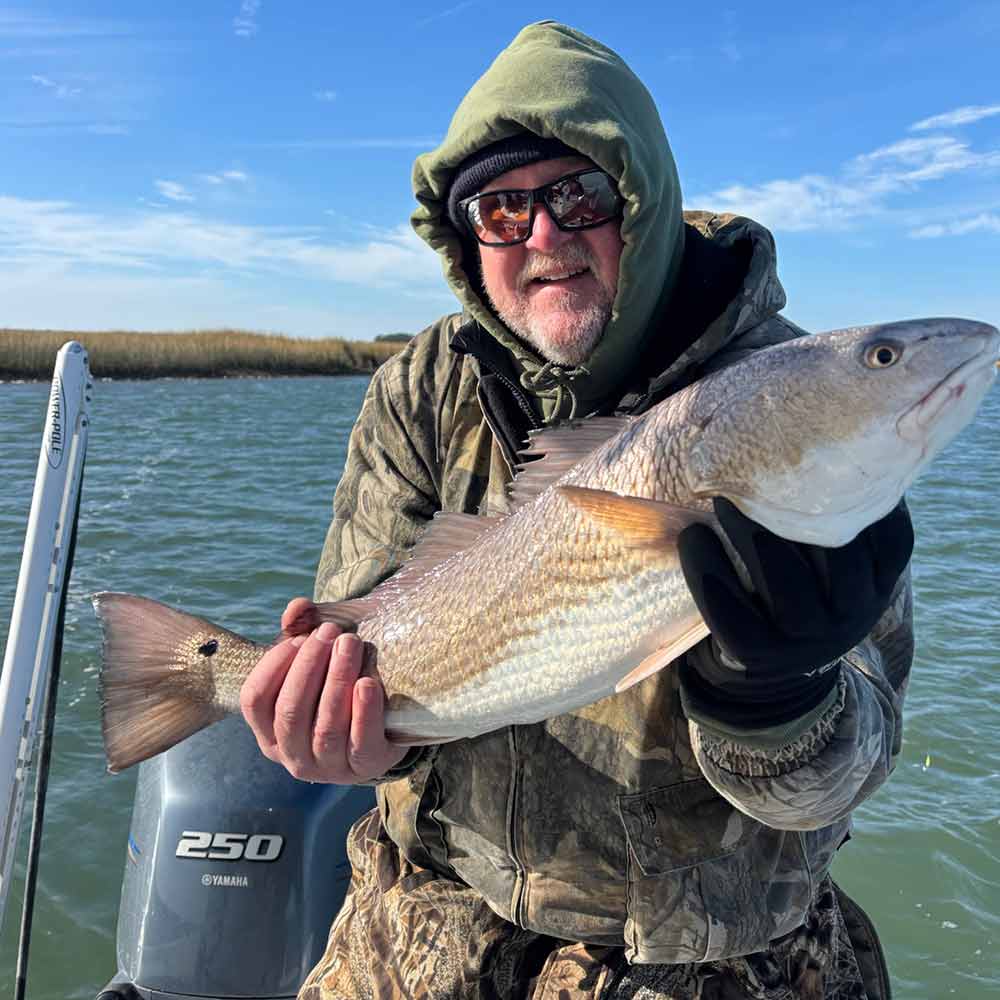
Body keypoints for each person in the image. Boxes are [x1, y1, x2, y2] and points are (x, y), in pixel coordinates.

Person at [240, 21, 914, 1000]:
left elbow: (842, 778)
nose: (543, 237)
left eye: (576, 195)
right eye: (502, 211)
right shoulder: (420, 385)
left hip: (706, 946)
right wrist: (344, 726)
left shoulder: (790, 393)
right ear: (464, 241)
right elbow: (355, 621)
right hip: (425, 899)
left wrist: (775, 697)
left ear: (639, 200)